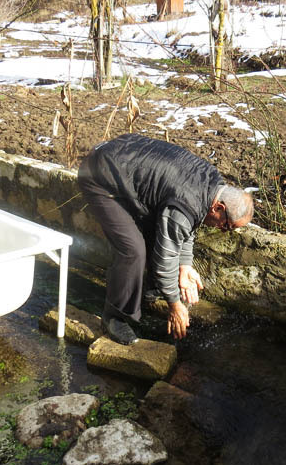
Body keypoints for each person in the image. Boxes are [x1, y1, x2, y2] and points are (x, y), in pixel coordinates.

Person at [77, 133, 254, 345]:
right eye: (227, 225)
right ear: (219, 207)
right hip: (99, 176)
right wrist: (175, 304)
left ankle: (148, 294)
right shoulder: (191, 200)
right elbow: (165, 259)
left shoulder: (212, 185)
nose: (224, 230)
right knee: (133, 250)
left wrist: (185, 266)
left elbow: (189, 222)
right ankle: (115, 317)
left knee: (158, 231)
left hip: (121, 160)